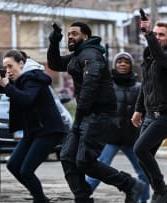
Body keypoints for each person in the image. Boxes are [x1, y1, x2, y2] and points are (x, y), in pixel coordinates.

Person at [47, 22, 146, 203]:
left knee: (84, 161)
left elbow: (89, 87)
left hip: (99, 116)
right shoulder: (78, 56)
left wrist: (77, 120)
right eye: (68, 34)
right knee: (68, 157)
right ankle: (82, 197)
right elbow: (54, 64)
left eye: (74, 34)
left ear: (85, 37)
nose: (70, 37)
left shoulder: (92, 55)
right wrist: (54, 41)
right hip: (88, 115)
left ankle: (130, 185)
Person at [0, 50, 68, 203]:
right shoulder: (20, 80)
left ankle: (40, 199)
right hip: (33, 131)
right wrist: (4, 86)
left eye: (11, 66)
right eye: (5, 68)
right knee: (13, 165)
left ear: (21, 63)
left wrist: (8, 87)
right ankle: (38, 196)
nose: (8, 71)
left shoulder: (33, 77)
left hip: (48, 130)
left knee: (26, 171)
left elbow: (27, 99)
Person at [85, 52, 150, 203]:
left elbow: (145, 112)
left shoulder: (139, 88)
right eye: (119, 61)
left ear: (130, 65)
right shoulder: (107, 86)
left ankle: (144, 200)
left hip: (132, 138)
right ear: (114, 65)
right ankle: (83, 196)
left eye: (126, 62)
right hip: (110, 138)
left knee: (143, 172)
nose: (122, 64)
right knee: (98, 169)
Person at [131, 19, 167, 203]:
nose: (158, 37)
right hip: (149, 115)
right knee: (143, 157)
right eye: (156, 34)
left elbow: (162, 58)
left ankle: (162, 192)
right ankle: (159, 193)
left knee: (140, 148)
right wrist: (138, 110)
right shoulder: (149, 56)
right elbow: (145, 86)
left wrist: (149, 35)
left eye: (162, 34)